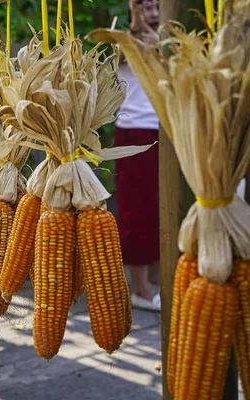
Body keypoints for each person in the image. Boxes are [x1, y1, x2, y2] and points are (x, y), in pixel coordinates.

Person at [115, 0, 161, 311]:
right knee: (138, 209)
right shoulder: (122, 41)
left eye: (158, 7)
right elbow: (117, 57)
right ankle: (141, 289)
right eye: (146, 7)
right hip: (135, 133)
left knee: (163, 208)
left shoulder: (171, 41)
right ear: (134, 10)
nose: (154, 14)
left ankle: (158, 281)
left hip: (167, 132)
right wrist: (136, 27)